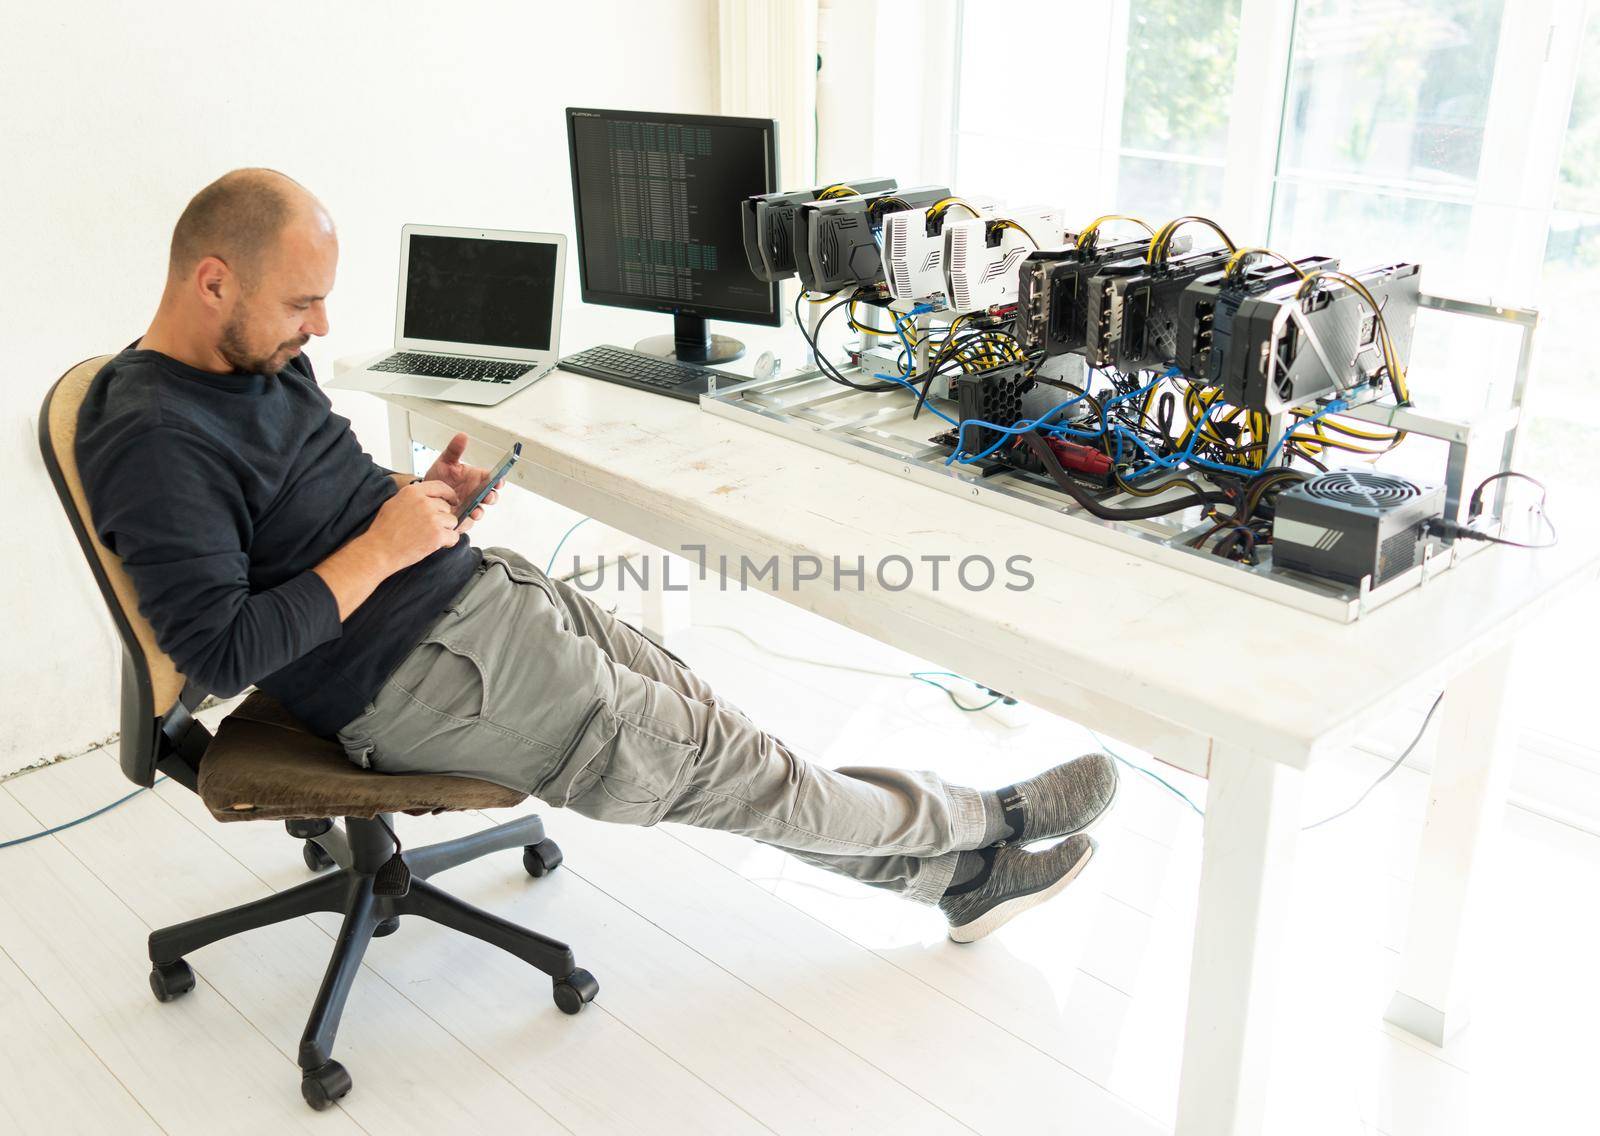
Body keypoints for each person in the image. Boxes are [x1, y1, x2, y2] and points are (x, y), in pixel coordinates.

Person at [77, 169, 1119, 942]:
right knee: (737, 768)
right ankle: (990, 814)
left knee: (729, 743)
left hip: (473, 605)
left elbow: (301, 510)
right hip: (422, 678)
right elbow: (216, 652)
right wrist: (385, 551)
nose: (322, 323)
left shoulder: (255, 355)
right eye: (302, 303)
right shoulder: (154, 436)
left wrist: (417, 501)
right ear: (212, 280)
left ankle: (956, 884)